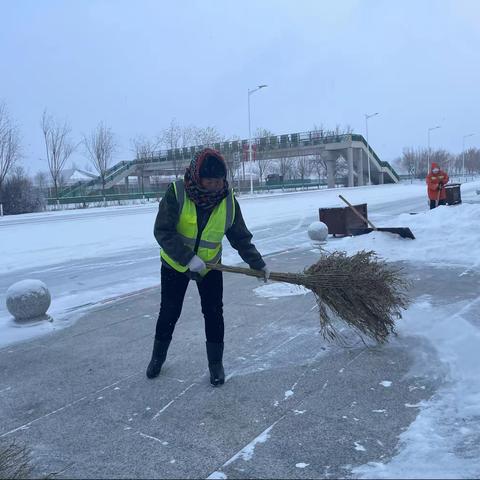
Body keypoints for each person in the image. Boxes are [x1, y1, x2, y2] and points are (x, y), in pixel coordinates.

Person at [147, 148, 270, 386]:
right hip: (175, 265)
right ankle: (157, 358)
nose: (215, 186)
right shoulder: (177, 193)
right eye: (210, 181)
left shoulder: (228, 201)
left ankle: (216, 365)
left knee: (214, 314)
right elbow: (162, 231)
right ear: (197, 177)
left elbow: (240, 237)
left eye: (219, 181)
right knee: (169, 312)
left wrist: (258, 263)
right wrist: (187, 259)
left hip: (211, 266)